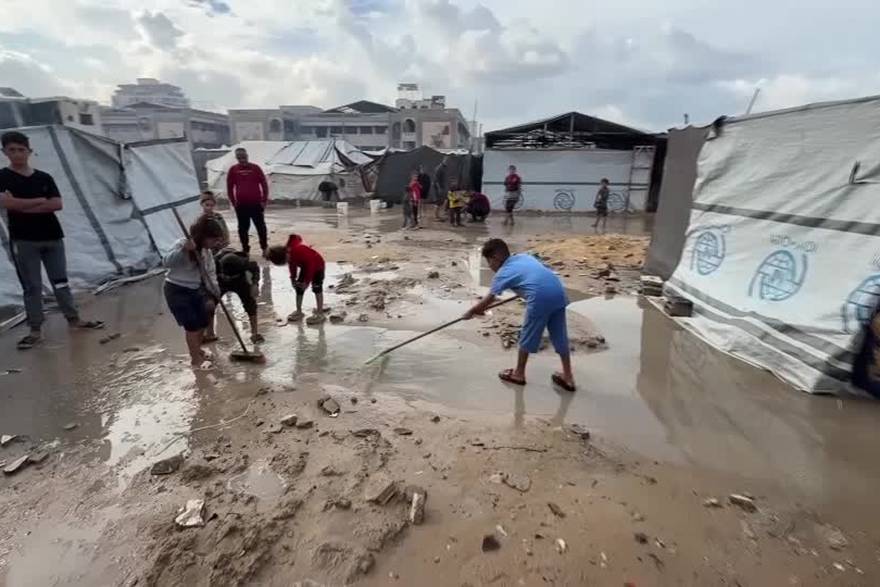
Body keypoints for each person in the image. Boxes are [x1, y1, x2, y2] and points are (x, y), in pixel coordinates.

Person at [0, 131, 103, 350]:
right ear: (5, 152)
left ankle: (74, 319)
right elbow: (7, 205)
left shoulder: (44, 177)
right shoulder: (2, 177)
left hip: (52, 237)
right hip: (24, 239)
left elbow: (56, 204)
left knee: (61, 281)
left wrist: (20, 203)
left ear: (29, 151)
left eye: (21, 149)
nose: (18, 154)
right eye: (12, 150)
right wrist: (38, 201)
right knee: (32, 286)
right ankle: (35, 329)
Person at [463, 239, 575, 391]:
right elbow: (542, 271)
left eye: (489, 262)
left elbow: (490, 299)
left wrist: (471, 311)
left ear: (495, 258)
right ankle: (568, 377)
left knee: (527, 335)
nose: (490, 267)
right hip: (558, 291)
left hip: (540, 297)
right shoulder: (524, 257)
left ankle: (519, 374)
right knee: (559, 335)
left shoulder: (503, 273)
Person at [163, 216, 225, 367]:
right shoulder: (182, 244)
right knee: (191, 326)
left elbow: (210, 274)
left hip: (195, 289)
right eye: (213, 239)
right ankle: (195, 359)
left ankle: (197, 350)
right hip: (176, 289)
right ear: (203, 236)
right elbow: (166, 262)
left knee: (203, 322)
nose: (216, 243)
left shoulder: (207, 253)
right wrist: (184, 250)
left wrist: (216, 293)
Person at [205, 249, 264, 344]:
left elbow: (255, 269)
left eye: (230, 277)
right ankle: (210, 333)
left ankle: (254, 333)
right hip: (219, 282)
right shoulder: (214, 262)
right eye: (227, 277)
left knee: (250, 303)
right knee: (209, 305)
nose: (229, 279)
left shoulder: (246, 263)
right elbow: (205, 277)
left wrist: (254, 284)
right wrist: (208, 294)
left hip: (240, 281)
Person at [266, 234, 326, 325]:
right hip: (304, 266)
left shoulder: (298, 250)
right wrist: (293, 279)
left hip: (317, 266)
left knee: (317, 288)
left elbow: (311, 266)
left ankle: (320, 312)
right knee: (299, 287)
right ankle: (299, 311)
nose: (287, 262)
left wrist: (306, 282)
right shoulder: (288, 254)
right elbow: (292, 266)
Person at [226, 147, 269, 257]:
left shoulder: (255, 168)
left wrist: (264, 200)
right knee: (243, 228)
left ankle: (264, 248)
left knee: (261, 227)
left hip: (256, 204)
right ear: (236, 158)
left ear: (247, 156)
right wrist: (233, 202)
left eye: (244, 157)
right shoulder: (233, 170)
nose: (242, 160)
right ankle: (245, 249)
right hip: (241, 205)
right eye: (239, 158)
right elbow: (229, 187)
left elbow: (264, 185)